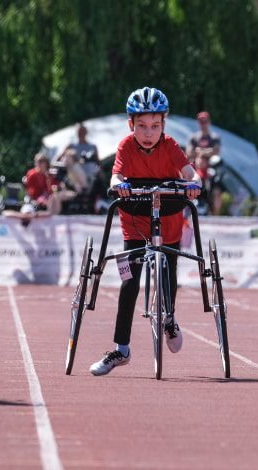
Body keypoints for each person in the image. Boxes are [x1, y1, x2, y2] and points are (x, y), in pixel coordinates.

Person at [89, 86, 202, 376]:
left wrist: (195, 181)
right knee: (130, 281)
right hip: (135, 220)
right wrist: (118, 183)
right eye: (141, 126)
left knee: (169, 270)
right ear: (131, 125)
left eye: (155, 126)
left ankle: (170, 319)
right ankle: (121, 349)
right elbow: (116, 173)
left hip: (169, 218)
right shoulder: (126, 146)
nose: (148, 132)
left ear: (163, 124)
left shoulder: (171, 146)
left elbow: (189, 172)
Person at [186, 111, 224, 215]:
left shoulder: (214, 137)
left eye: (205, 121)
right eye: (201, 122)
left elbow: (216, 151)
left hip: (211, 170)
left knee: (217, 191)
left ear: (209, 122)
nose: (203, 124)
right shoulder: (194, 137)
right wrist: (206, 152)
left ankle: (215, 215)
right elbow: (189, 152)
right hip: (196, 171)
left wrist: (201, 152)